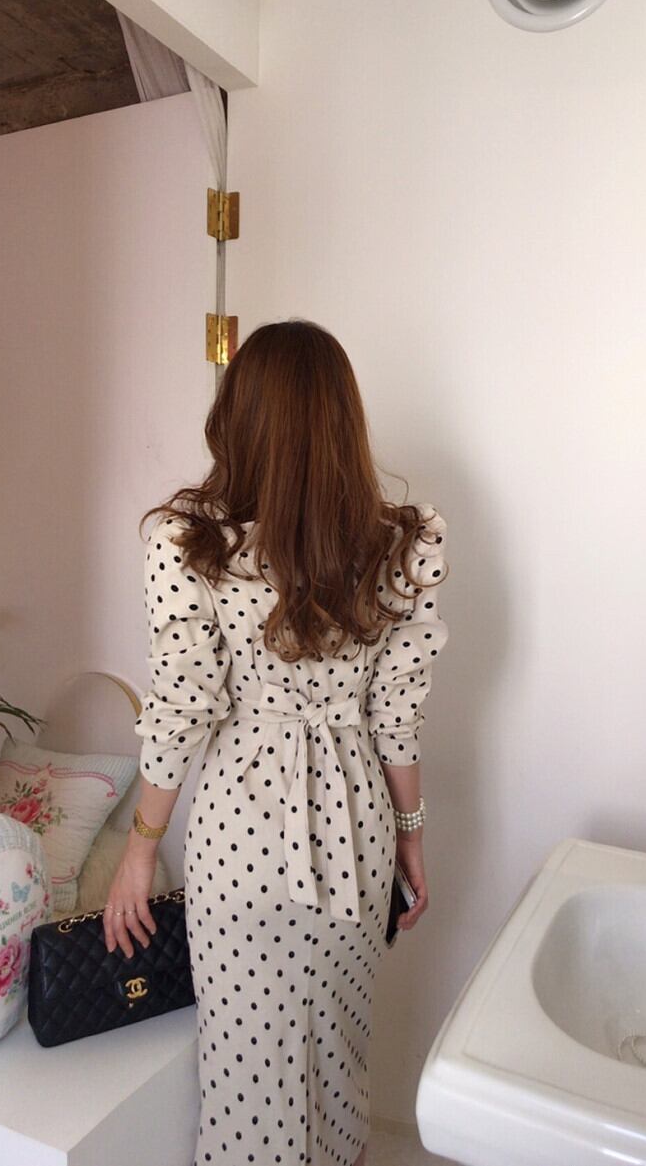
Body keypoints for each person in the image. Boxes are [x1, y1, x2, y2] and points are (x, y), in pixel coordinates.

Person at [103, 319, 450, 1166]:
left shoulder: (191, 544)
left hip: (240, 839)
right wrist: (410, 838)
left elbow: (182, 708)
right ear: (344, 421)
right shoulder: (399, 545)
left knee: (245, 1080)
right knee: (338, 1069)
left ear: (241, 417)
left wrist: (139, 848)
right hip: (357, 831)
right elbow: (395, 715)